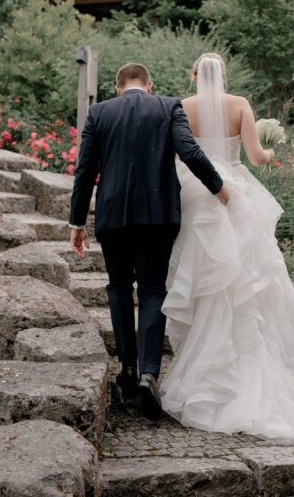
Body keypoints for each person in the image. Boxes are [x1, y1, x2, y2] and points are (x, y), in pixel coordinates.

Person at [158, 53, 294, 443]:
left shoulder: (182, 107)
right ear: (225, 76)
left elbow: (176, 155)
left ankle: (203, 374)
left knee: (202, 282)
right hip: (232, 193)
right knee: (245, 287)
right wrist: (269, 152)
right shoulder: (240, 106)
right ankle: (249, 372)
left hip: (194, 195)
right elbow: (254, 156)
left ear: (193, 75)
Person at [68, 62, 230, 421]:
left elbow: (85, 169)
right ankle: (148, 375)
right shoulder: (169, 106)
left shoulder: (99, 112)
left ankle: (126, 369)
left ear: (118, 87)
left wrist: (77, 221)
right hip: (158, 216)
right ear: (149, 85)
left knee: (119, 288)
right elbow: (189, 151)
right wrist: (218, 187)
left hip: (112, 217)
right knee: (154, 290)